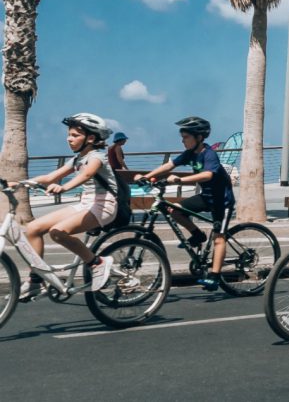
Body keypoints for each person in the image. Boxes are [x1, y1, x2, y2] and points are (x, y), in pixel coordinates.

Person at [11, 113, 117, 300]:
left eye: (75, 135)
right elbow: (49, 178)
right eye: (69, 134)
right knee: (33, 228)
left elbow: (86, 174)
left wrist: (64, 187)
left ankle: (97, 263)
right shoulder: (77, 159)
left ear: (90, 138)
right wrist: (20, 183)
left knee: (58, 232)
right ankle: (36, 280)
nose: (69, 138)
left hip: (104, 205)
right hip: (86, 204)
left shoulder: (97, 156)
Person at [134, 116, 235, 292]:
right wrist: (148, 176)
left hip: (222, 201)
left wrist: (180, 180)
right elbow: (169, 165)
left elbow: (207, 175)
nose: (182, 141)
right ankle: (197, 235)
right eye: (182, 137)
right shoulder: (190, 154)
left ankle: (215, 276)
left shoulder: (209, 154)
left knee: (219, 237)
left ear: (199, 137)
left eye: (186, 137)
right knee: (175, 210)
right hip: (206, 197)